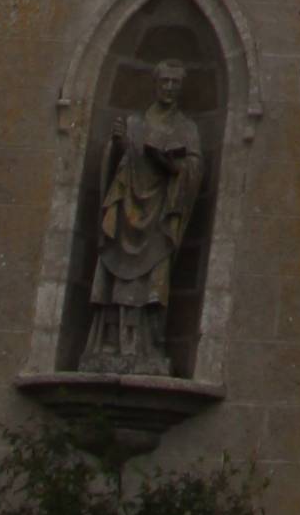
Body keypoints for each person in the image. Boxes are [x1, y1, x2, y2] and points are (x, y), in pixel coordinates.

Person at [81, 57, 206, 378]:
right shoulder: (135, 123)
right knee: (117, 278)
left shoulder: (186, 129)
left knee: (153, 282)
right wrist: (119, 144)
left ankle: (148, 346)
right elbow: (114, 161)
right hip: (126, 211)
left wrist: (174, 167)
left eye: (175, 83)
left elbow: (194, 170)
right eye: (164, 81)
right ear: (155, 83)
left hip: (160, 218)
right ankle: (108, 344)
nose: (169, 88)